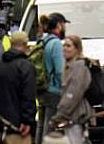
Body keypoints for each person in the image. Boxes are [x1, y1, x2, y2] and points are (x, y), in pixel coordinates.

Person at [0, 31, 37, 141]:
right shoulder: (26, 66)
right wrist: (27, 121)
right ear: (25, 44)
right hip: (19, 126)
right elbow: (28, 96)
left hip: (1, 123)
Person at [52, 35, 93, 144]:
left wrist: (60, 114)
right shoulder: (69, 66)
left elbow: (73, 94)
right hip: (70, 118)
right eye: (64, 45)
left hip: (77, 117)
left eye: (69, 46)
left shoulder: (79, 67)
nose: (65, 48)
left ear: (77, 49)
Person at [37, 13, 68, 144]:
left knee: (41, 124)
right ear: (59, 25)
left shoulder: (43, 40)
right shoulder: (55, 43)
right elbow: (60, 70)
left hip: (42, 88)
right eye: (64, 24)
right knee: (51, 127)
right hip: (54, 90)